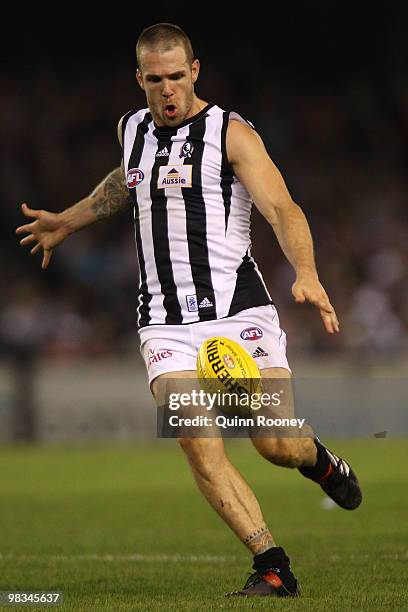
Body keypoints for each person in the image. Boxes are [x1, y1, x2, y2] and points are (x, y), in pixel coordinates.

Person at [16, 23, 362, 598]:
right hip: (164, 320)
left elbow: (282, 208)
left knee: (275, 443)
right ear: (140, 80)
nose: (167, 90)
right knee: (196, 440)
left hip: (238, 309)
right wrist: (68, 221)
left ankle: (320, 462)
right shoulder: (131, 129)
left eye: (177, 77)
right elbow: (127, 183)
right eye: (155, 80)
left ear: (195, 72)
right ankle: (272, 566)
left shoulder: (232, 133)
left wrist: (306, 271)